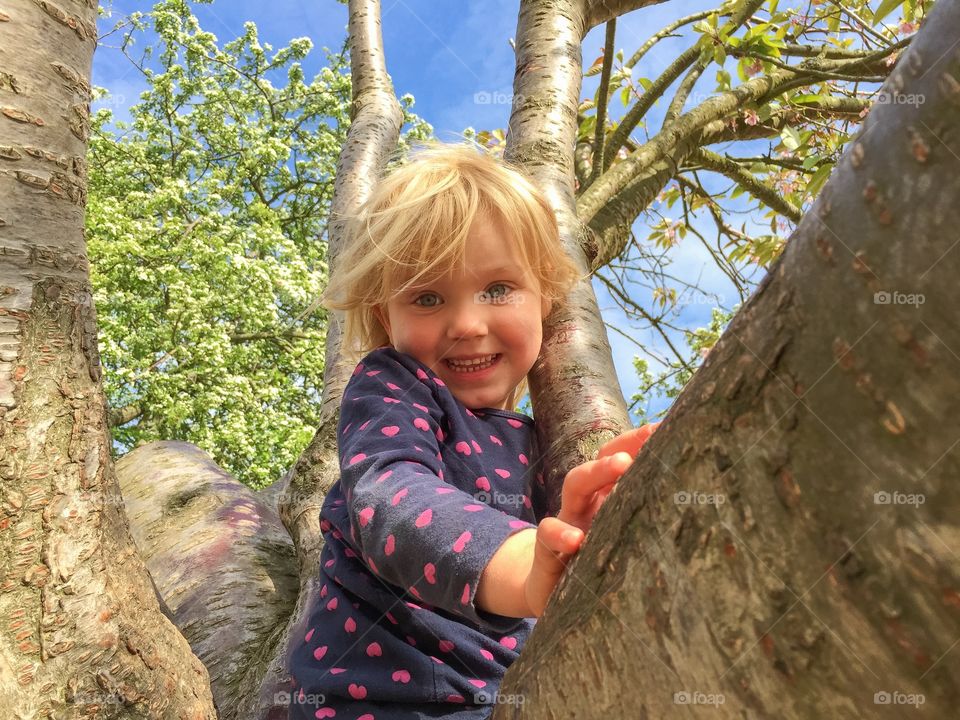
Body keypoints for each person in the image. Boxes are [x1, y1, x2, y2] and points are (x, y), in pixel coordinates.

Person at [288, 143, 658, 719]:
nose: (466, 324)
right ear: (389, 318)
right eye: (428, 297)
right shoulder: (393, 385)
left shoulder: (540, 440)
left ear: (546, 300)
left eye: (497, 290)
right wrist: (525, 561)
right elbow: (392, 497)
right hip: (384, 703)